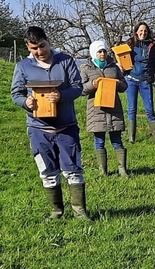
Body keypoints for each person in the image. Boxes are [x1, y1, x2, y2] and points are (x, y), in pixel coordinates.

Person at [10, 26, 90, 220]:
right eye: (33, 49)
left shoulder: (66, 61)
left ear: (48, 41)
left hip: (66, 127)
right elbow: (16, 94)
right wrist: (25, 102)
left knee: (73, 169)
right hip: (38, 129)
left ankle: (80, 212)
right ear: (28, 47)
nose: (39, 52)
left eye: (42, 46)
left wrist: (62, 95)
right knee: (47, 171)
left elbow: (78, 87)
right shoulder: (23, 67)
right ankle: (56, 211)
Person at [80, 40, 129, 177]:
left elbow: (124, 86)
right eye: (99, 51)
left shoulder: (114, 67)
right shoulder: (86, 68)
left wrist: (118, 83)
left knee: (117, 140)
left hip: (114, 108)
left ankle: (122, 170)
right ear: (93, 53)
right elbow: (81, 89)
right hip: (96, 110)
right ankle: (103, 171)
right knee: (99, 141)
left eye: (104, 51)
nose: (102, 54)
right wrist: (92, 84)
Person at [123, 22, 155, 144]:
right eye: (140, 31)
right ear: (136, 31)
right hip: (131, 80)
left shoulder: (152, 45)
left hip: (146, 81)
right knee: (132, 109)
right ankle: (131, 137)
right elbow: (122, 58)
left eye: (145, 31)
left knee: (149, 110)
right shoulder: (130, 43)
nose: (143, 33)